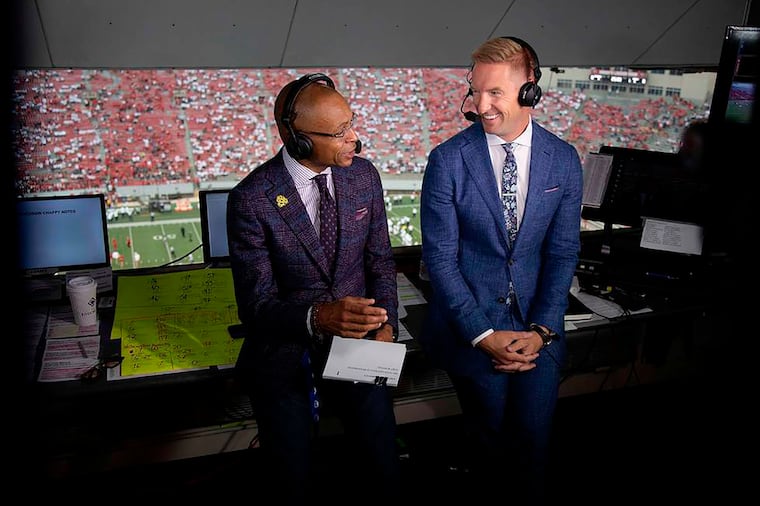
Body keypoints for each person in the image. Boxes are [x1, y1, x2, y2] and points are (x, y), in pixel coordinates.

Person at [420, 36, 583, 502]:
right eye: (475, 90)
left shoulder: (564, 159)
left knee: (533, 445)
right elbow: (441, 260)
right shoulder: (447, 160)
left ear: (530, 90)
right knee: (487, 446)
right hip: (474, 333)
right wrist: (482, 334)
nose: (481, 104)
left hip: (538, 331)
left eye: (495, 92)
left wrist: (543, 328)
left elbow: (563, 252)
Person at [227, 73, 400, 502]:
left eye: (352, 124)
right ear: (299, 139)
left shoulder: (364, 177)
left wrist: (387, 324)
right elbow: (256, 306)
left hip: (362, 345)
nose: (355, 140)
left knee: (383, 464)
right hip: (287, 354)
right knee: (293, 478)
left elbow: (379, 260)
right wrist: (318, 317)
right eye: (340, 133)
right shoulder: (251, 199)